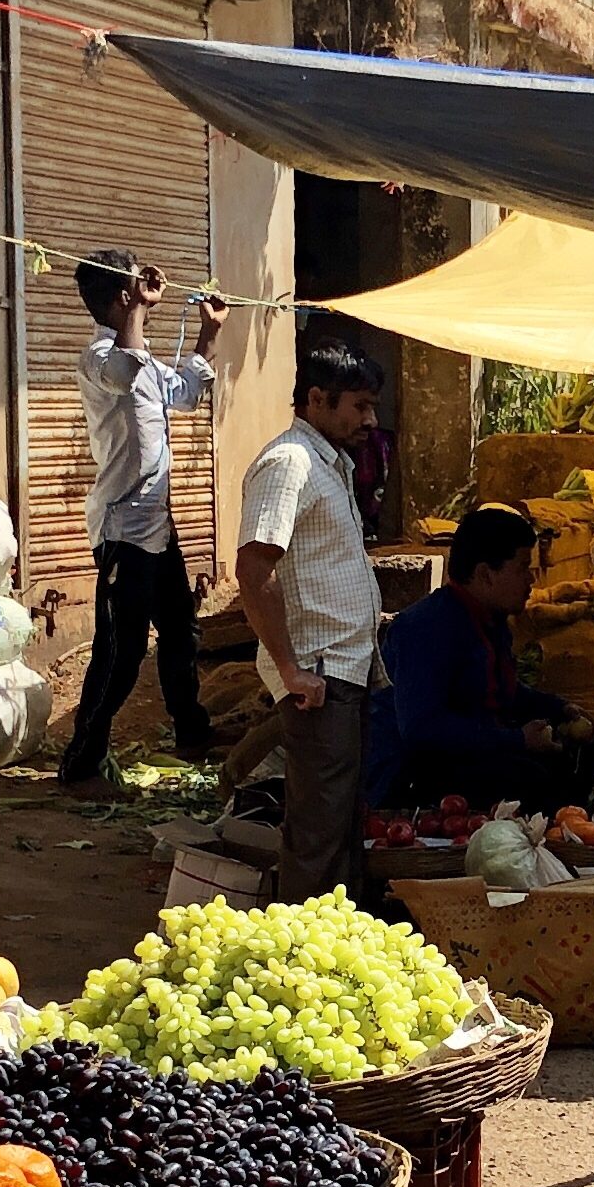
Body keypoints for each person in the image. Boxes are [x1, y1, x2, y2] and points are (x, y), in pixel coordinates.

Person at [59, 251, 223, 786]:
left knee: (181, 631)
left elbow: (188, 394)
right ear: (120, 296)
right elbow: (125, 372)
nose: (149, 295)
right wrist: (134, 307)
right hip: (122, 532)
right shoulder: (99, 358)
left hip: (158, 528)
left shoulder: (147, 361)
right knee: (121, 651)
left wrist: (207, 333)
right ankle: (83, 757)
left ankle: (192, 730)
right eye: (134, 287)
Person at [236, 339, 389, 903]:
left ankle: (333, 952)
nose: (371, 420)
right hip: (318, 679)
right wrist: (290, 670)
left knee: (341, 826)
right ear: (318, 399)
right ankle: (300, 962)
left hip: (342, 672)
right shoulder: (289, 462)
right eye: (360, 406)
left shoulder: (331, 464)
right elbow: (254, 570)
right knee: (319, 836)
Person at [368, 505, 594, 816]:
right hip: (410, 775)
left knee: (585, 747)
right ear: (485, 574)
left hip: (467, 752)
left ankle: (569, 830)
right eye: (521, 568)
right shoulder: (426, 628)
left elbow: (502, 690)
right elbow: (421, 729)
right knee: (530, 779)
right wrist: (517, 740)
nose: (530, 580)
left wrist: (557, 708)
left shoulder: (489, 621)